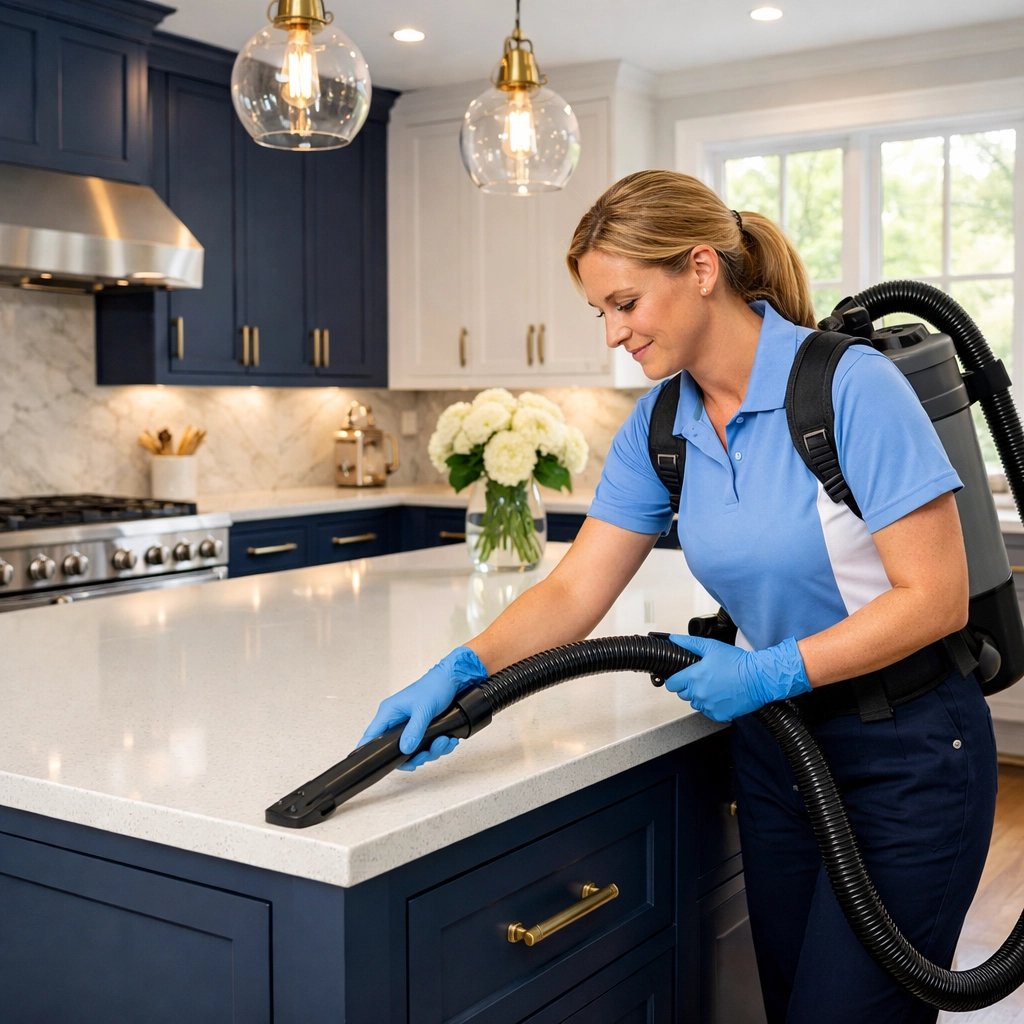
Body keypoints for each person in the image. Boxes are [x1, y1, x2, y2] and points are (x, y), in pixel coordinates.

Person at [358, 170, 997, 1024]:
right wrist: (461, 669)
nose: (615, 334)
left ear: (701, 268)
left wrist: (769, 671)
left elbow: (936, 600)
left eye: (625, 303)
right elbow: (577, 587)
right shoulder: (662, 426)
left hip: (909, 754)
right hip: (783, 753)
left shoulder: (849, 387)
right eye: (602, 313)